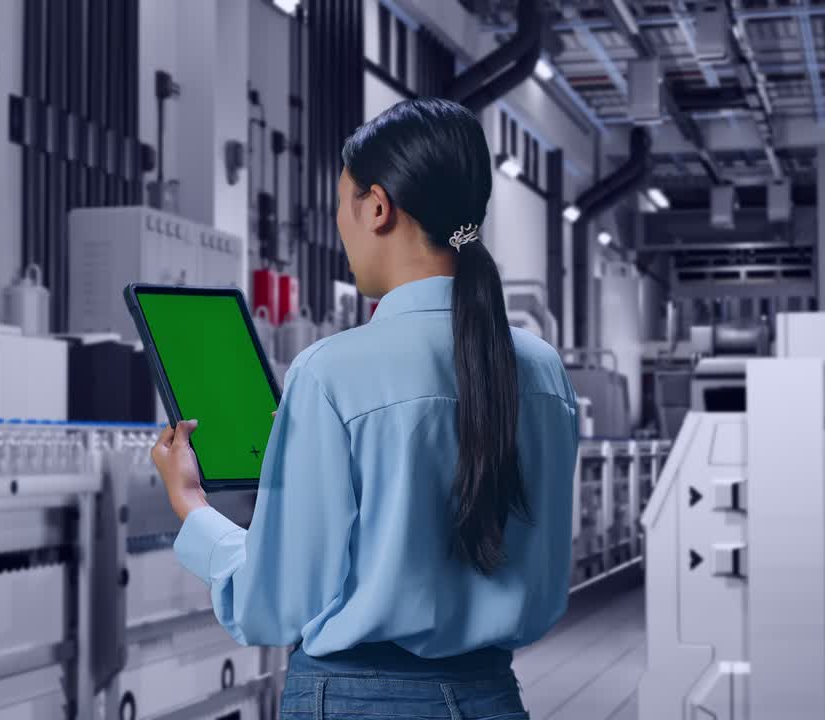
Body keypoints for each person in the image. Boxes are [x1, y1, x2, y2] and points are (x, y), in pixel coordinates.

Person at [151, 97, 579, 720]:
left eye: (341, 210)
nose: (341, 232)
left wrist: (190, 506)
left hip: (356, 701)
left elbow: (274, 603)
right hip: (491, 697)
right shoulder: (543, 370)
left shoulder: (330, 373)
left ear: (377, 208)